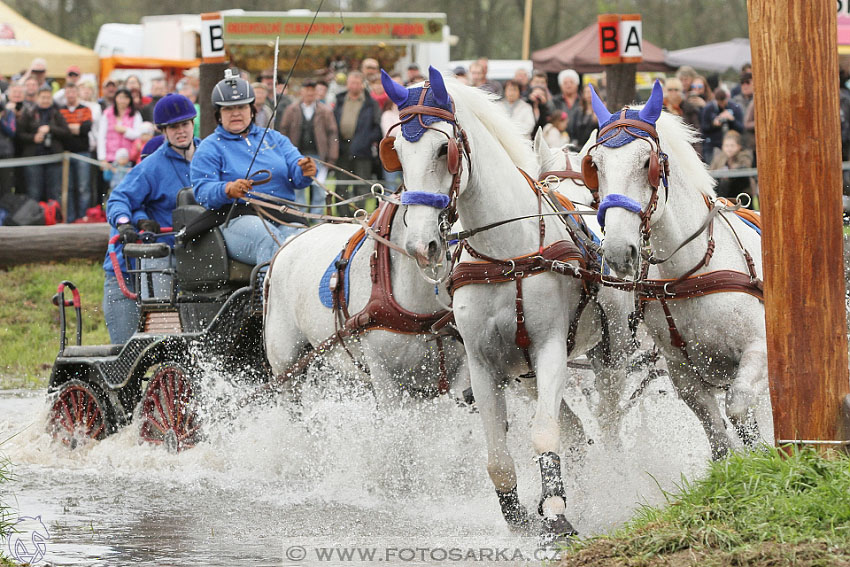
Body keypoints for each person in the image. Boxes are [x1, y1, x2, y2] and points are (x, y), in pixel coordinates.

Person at [192, 70, 316, 266]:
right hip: (236, 219)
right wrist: (226, 189)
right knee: (270, 239)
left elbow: (297, 171)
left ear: (252, 110)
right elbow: (202, 191)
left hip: (282, 213)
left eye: (241, 107)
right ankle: (266, 295)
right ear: (218, 114)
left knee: (306, 240)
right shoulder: (210, 147)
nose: (235, 113)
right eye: (228, 109)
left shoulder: (274, 138)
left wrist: (305, 170)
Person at [102, 93, 200, 344]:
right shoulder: (151, 166)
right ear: (163, 131)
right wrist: (125, 223)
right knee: (129, 348)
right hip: (142, 263)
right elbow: (118, 199)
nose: (181, 131)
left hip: (190, 258)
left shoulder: (208, 156)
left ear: (193, 124)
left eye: (185, 124)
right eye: (173, 127)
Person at [280, 78, 338, 213]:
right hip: (297, 155)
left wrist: (332, 157)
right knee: (298, 187)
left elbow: (332, 134)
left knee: (319, 188)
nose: (310, 94)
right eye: (307, 91)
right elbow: (283, 131)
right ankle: (300, 215)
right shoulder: (291, 110)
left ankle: (316, 217)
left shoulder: (325, 111)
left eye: (313, 91)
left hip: (319, 155)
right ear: (302, 92)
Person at [333, 70, 381, 211]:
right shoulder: (340, 100)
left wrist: (366, 140)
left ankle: (360, 214)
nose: (354, 86)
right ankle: (343, 216)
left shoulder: (371, 103)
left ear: (362, 85)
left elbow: (377, 127)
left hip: (363, 150)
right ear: (347, 84)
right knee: (342, 184)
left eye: (357, 83)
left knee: (361, 184)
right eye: (351, 82)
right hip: (342, 148)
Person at [17, 86, 70, 204]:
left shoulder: (57, 113)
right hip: (34, 159)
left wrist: (50, 129)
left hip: (53, 159)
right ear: (37, 98)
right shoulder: (29, 113)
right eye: (43, 97)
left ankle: (54, 218)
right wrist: (33, 138)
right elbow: (19, 134)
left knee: (54, 192)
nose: (45, 100)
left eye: (48, 97)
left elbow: (66, 132)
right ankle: (34, 218)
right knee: (34, 191)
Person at [58, 83, 94, 222]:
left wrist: (69, 128)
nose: (70, 94)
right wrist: (73, 128)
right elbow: (61, 130)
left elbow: (85, 128)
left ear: (77, 93)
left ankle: (83, 218)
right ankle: (70, 218)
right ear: (65, 93)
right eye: (68, 92)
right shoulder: (60, 110)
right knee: (68, 188)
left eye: (73, 92)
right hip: (65, 154)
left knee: (83, 188)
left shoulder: (85, 109)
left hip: (83, 153)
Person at [97, 88, 143, 167]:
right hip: (111, 158)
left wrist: (125, 131)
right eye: (120, 97)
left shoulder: (135, 114)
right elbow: (101, 136)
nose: (123, 100)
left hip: (129, 158)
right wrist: (102, 158)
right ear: (116, 98)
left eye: (126, 97)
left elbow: (139, 134)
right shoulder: (107, 114)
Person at [701, 87, 744, 164]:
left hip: (732, 146)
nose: (721, 104)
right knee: (714, 167)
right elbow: (703, 128)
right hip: (713, 145)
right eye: (719, 102)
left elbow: (741, 128)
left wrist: (732, 119)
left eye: (723, 102)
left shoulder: (734, 107)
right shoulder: (709, 108)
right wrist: (714, 124)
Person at [709, 130, 754, 201]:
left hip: (741, 192)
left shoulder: (745, 156)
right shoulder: (719, 157)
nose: (729, 149)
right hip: (723, 192)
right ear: (722, 146)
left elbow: (745, 168)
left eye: (732, 146)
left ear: (739, 146)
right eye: (726, 146)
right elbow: (712, 172)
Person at [552, 69, 582, 141]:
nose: (569, 85)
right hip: (560, 139)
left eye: (571, 82)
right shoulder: (555, 101)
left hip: (580, 140)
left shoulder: (582, 101)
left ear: (577, 84)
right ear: (561, 86)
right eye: (565, 83)